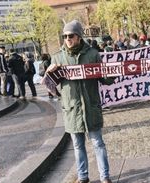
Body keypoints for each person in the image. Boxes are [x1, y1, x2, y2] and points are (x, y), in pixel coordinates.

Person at [46, 20, 114, 183]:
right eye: (65, 36)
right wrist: (49, 75)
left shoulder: (92, 54)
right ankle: (83, 176)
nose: (67, 39)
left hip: (91, 107)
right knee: (77, 146)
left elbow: (105, 80)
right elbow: (52, 89)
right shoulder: (57, 57)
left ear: (79, 36)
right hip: (72, 109)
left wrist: (111, 73)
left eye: (71, 35)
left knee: (98, 143)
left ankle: (105, 176)